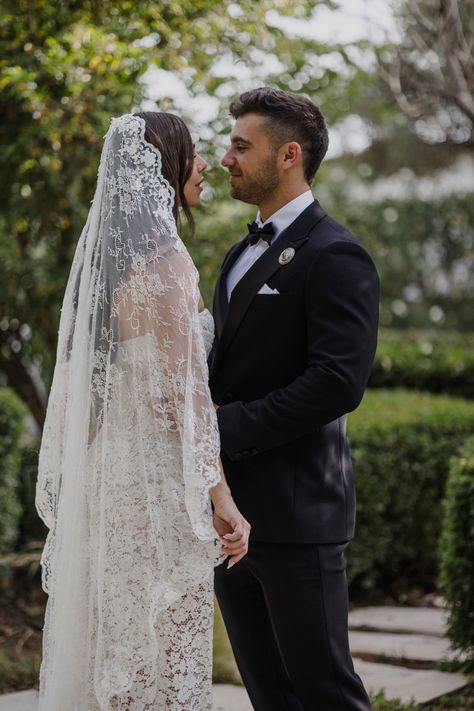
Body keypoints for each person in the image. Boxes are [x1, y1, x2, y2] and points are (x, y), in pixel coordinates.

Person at [35, 111, 250, 711]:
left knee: (116, 641)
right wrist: (222, 499)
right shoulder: (166, 267)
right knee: (160, 647)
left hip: (110, 476)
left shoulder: (110, 275)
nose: (205, 165)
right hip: (156, 483)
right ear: (165, 168)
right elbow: (185, 401)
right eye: (194, 154)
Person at [210, 87, 380, 710]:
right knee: (269, 694)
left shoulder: (336, 253)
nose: (225, 158)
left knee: (325, 692)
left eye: (240, 146)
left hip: (298, 511)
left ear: (287, 155)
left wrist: (222, 430)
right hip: (230, 518)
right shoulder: (237, 251)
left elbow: (337, 381)